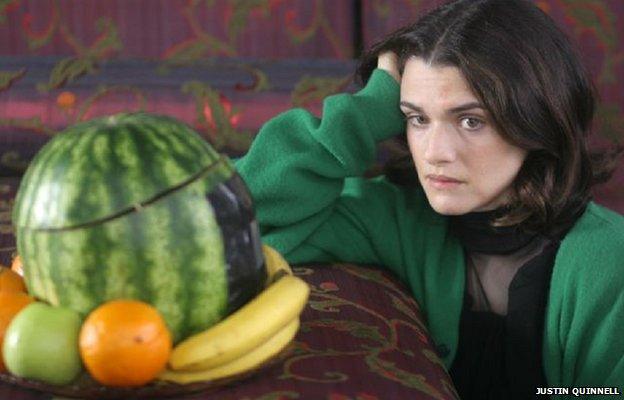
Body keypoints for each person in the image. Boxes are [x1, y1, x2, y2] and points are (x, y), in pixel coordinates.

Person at [235, 0, 624, 398]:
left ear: (536, 118)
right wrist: (364, 113)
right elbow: (230, 225)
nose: (435, 152)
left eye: (471, 120)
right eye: (417, 118)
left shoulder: (611, 261)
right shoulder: (399, 216)